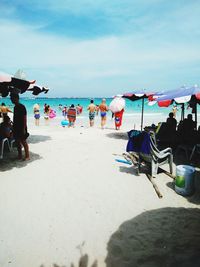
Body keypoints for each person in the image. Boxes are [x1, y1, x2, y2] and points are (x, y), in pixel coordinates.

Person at [10, 93, 29, 160]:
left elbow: (25, 118)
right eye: (11, 99)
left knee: (23, 141)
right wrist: (13, 126)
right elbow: (14, 118)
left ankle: (27, 156)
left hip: (22, 127)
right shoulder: (15, 107)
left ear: (17, 98)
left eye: (12, 99)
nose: (11, 100)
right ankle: (20, 155)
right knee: (17, 141)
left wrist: (24, 128)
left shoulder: (22, 107)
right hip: (16, 126)